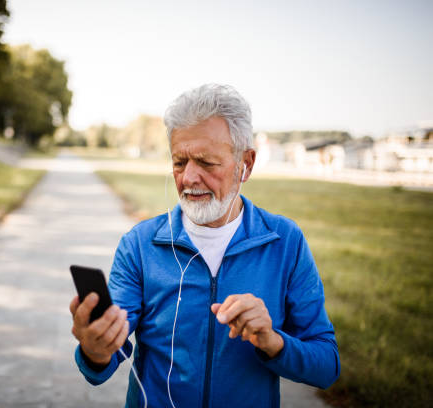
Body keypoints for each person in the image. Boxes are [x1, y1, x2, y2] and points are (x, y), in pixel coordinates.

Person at [69, 84, 340, 407]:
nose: (189, 178)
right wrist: (94, 350)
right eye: (179, 162)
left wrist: (273, 342)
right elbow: (101, 364)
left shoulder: (286, 242)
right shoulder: (139, 245)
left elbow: (326, 367)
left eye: (207, 162)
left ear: (246, 164)